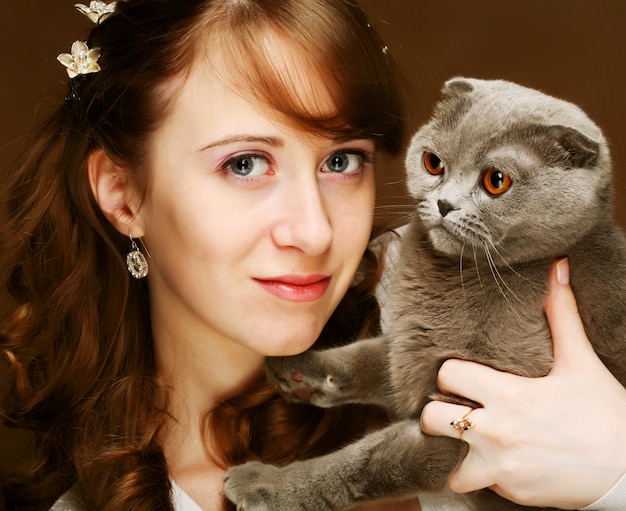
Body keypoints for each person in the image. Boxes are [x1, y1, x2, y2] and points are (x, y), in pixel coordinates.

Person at [1, 2, 625, 511]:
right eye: (244, 164)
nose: (315, 230)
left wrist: (615, 472)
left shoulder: (517, 395)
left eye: (341, 161)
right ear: (123, 194)